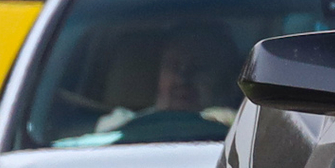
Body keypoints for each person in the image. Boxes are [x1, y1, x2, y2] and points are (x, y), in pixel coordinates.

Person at [94, 23, 242, 133]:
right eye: (173, 66)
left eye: (198, 67)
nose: (183, 77)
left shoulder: (244, 133)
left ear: (228, 83)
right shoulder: (117, 128)